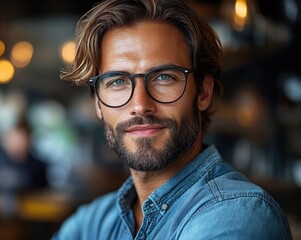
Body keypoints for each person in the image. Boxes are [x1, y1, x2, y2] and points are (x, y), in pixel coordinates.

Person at [53, 0, 293, 239]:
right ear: (98, 103)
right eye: (117, 81)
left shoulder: (238, 215)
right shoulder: (94, 222)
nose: (140, 105)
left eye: (164, 77)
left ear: (202, 93)